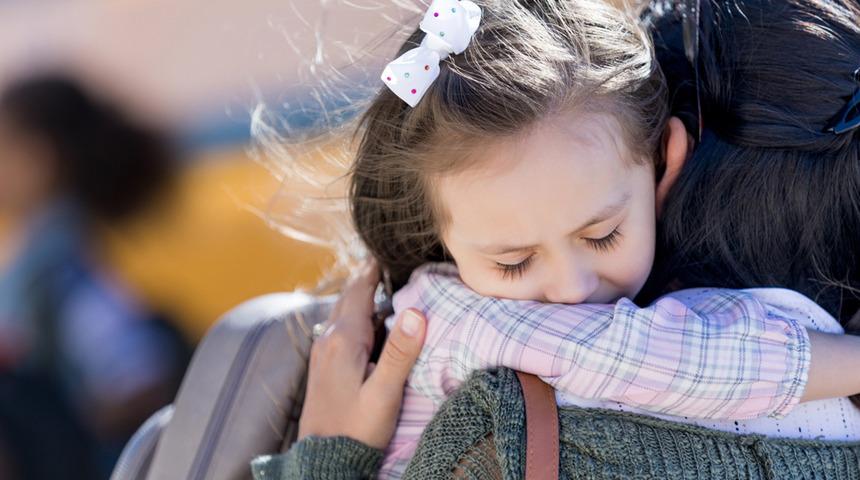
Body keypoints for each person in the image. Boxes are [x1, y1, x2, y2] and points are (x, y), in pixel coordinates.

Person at [252, 0, 860, 477]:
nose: (570, 289)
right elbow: (674, 360)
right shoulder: (461, 320)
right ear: (439, 235)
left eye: (601, 235)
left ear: (661, 163)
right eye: (513, 262)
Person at [0, 73, 190, 479]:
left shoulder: (56, 263)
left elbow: (137, 372)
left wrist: (71, 433)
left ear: (38, 159)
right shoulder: (46, 249)